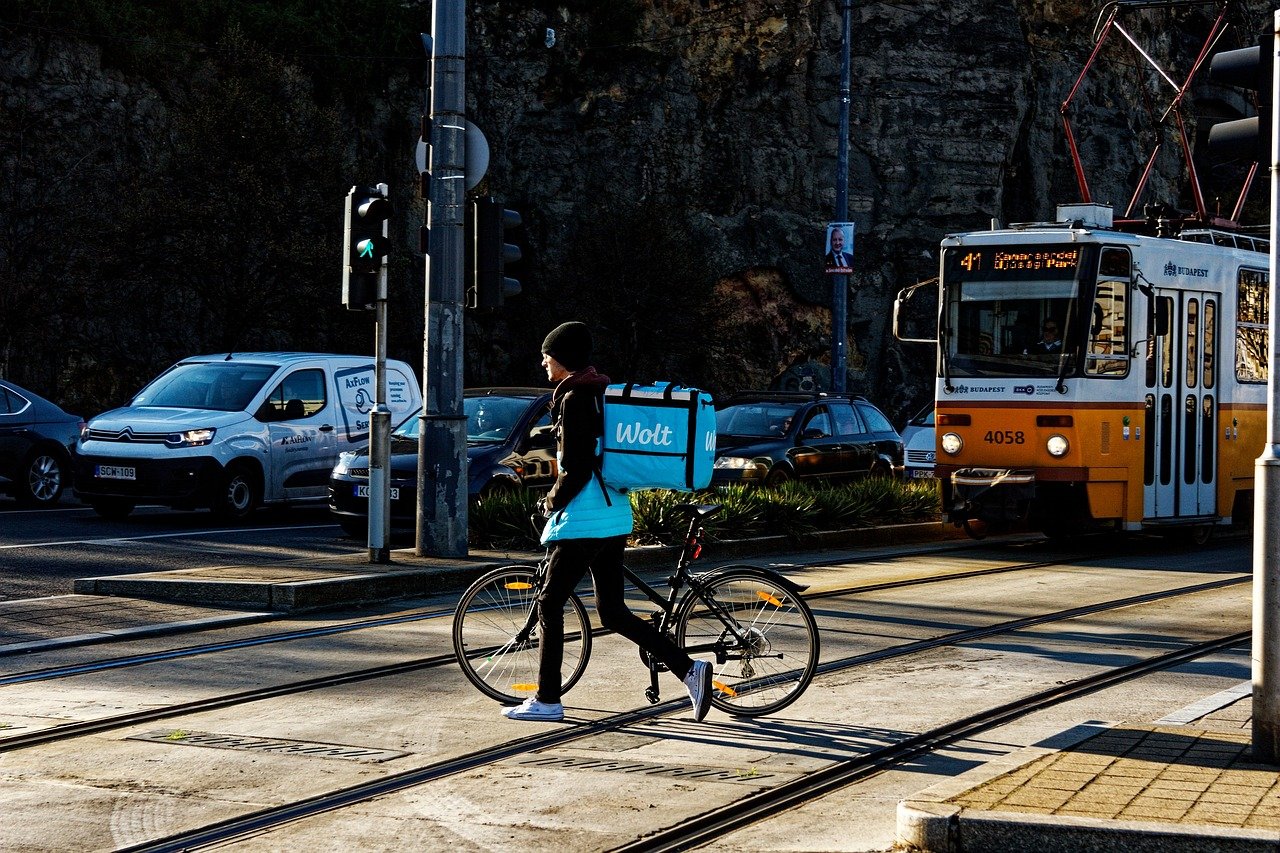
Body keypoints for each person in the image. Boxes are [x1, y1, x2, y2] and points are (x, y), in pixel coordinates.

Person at [502, 321, 712, 723]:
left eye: (547, 354)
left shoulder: (576, 398)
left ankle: (547, 699)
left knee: (548, 601)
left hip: (586, 518)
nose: (543, 361)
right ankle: (689, 669)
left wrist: (549, 502)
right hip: (612, 512)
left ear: (562, 359)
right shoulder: (598, 393)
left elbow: (578, 466)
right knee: (613, 611)